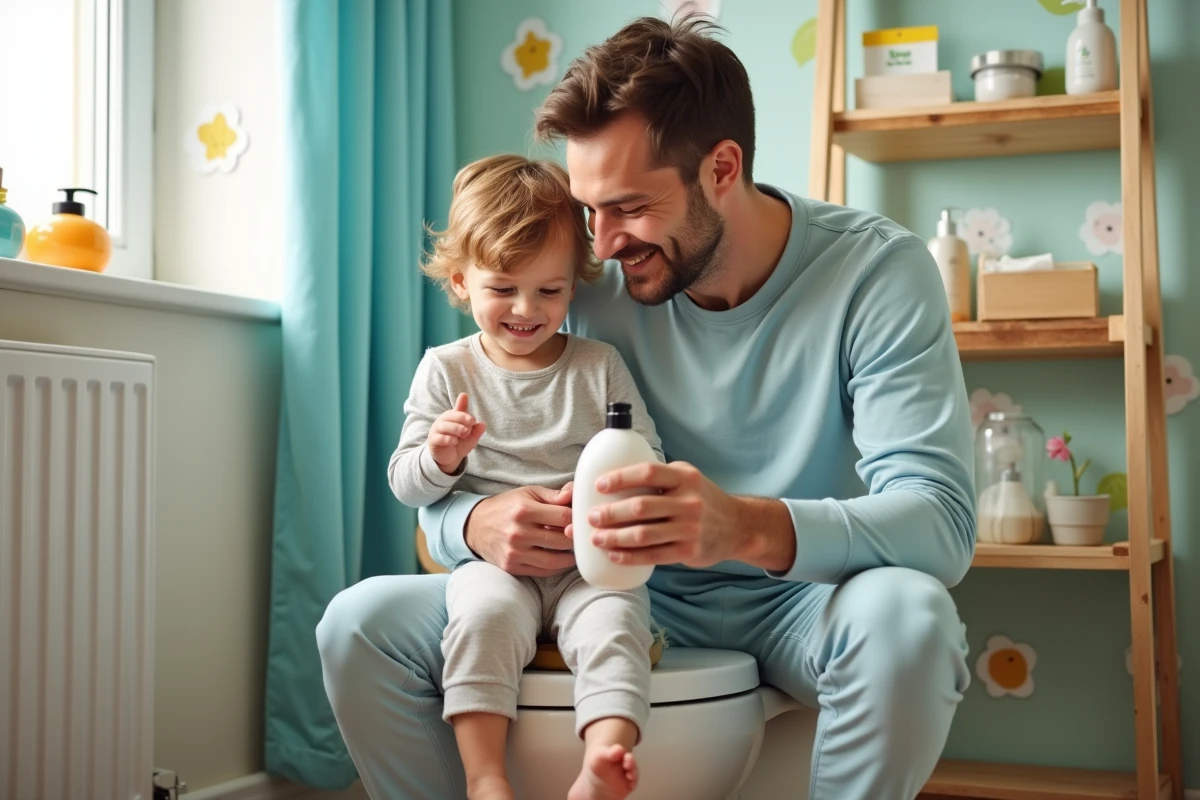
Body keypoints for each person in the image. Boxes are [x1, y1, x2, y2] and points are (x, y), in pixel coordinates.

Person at [317, 13, 975, 800]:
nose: (600, 243)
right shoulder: (589, 285)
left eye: (626, 206)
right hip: (611, 593)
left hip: (807, 603)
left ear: (722, 168)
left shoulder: (877, 272)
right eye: (589, 209)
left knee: (912, 619)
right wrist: (471, 525)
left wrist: (744, 525)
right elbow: (445, 499)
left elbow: (940, 522)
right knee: (357, 626)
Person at [388, 153, 667, 800]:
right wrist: (442, 457)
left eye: (550, 289)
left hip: (586, 565)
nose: (526, 308)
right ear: (460, 282)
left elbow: (646, 456)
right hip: (495, 567)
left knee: (617, 624)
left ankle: (604, 759)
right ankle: (485, 776)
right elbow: (407, 484)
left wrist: (611, 489)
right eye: (502, 288)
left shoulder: (598, 366)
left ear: (576, 283)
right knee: (482, 619)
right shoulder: (446, 371)